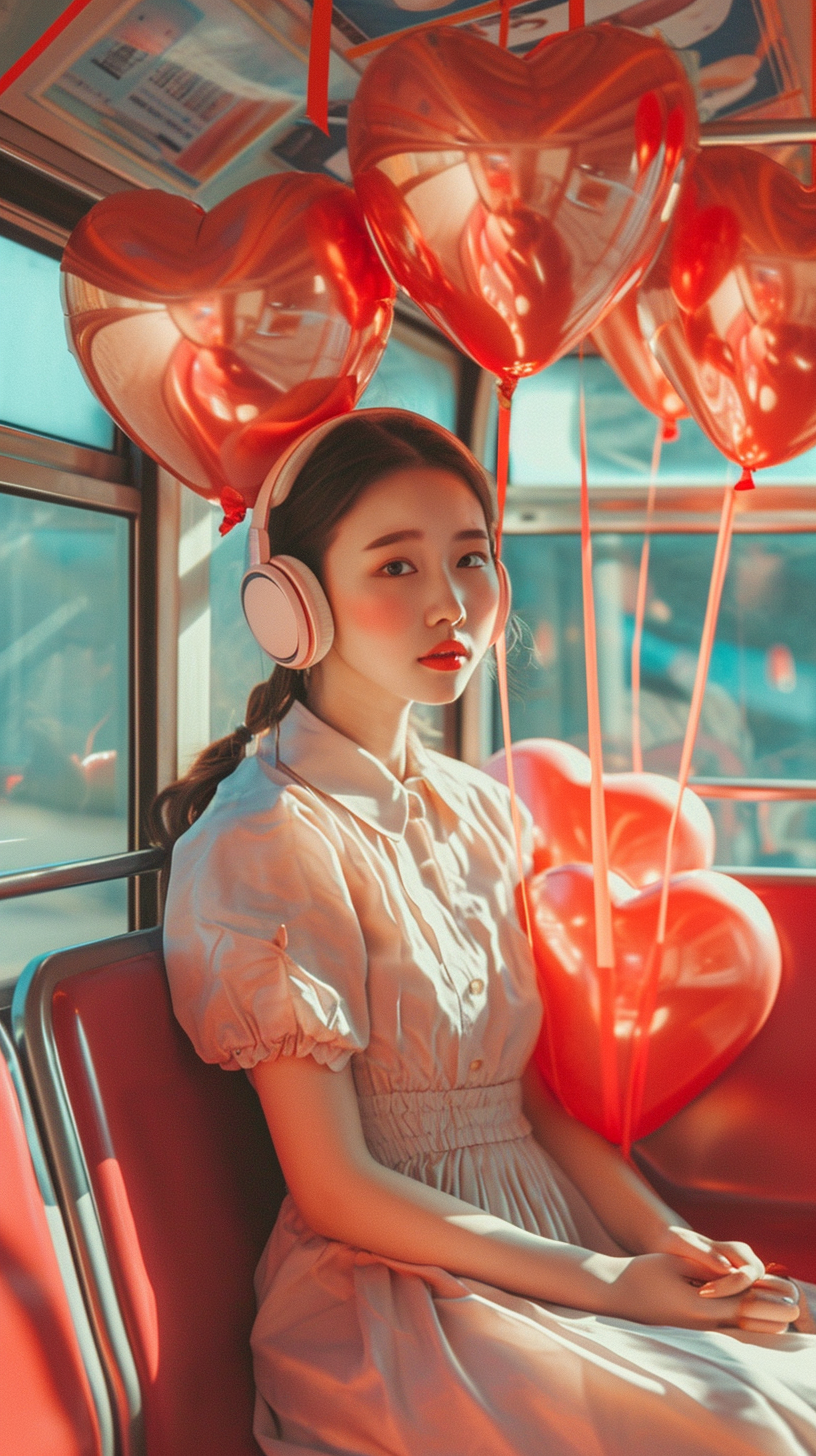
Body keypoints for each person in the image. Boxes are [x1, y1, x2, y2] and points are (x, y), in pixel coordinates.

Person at [157, 409, 815, 1456]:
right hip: (396, 1297)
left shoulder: (486, 809)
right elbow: (336, 1186)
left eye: (471, 557)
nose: (450, 602)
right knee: (749, 1434)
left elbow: (535, 1105)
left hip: (551, 1234)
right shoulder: (267, 836)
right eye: (396, 565)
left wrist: (667, 1239)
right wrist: (611, 1281)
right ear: (295, 603)